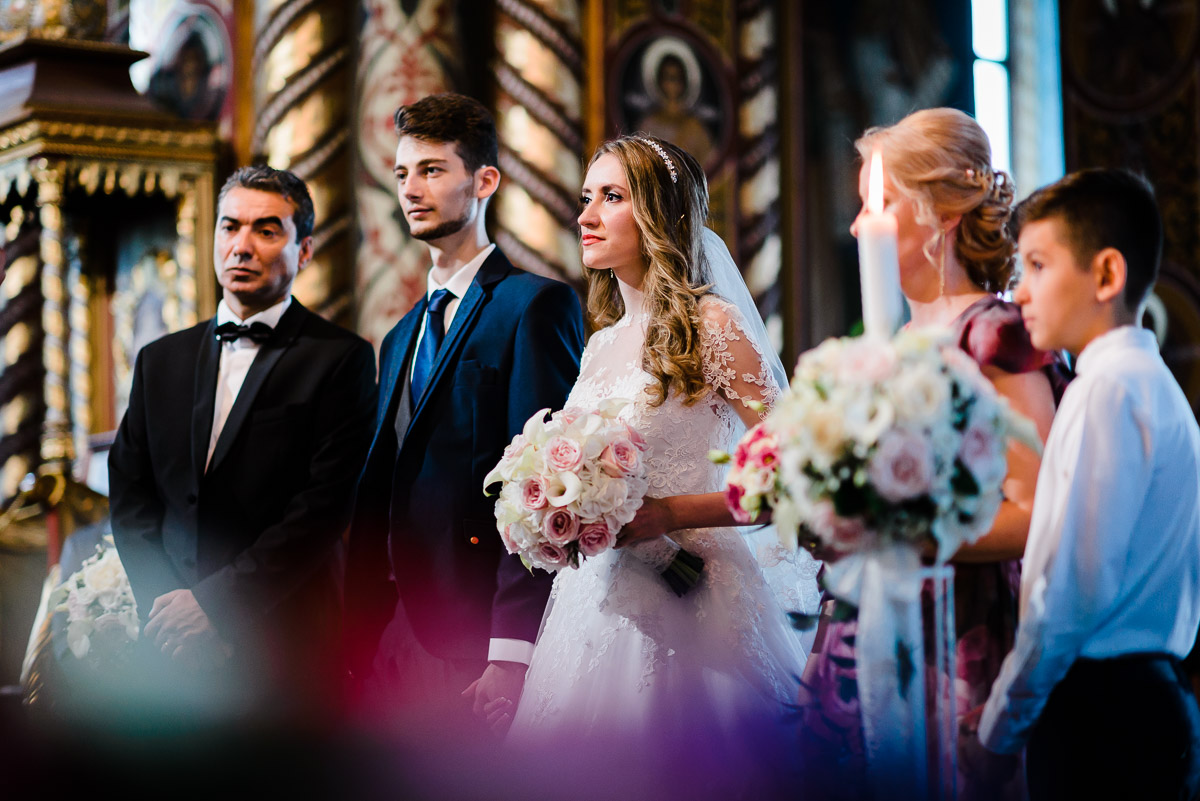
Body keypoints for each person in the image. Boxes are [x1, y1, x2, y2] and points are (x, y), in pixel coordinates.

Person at [504, 135, 810, 800]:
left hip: (696, 598)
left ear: (659, 215)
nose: (586, 215)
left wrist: (671, 513)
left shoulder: (712, 326)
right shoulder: (601, 343)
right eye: (587, 196)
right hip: (597, 602)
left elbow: (795, 477)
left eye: (612, 197)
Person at [798, 108, 1063, 800]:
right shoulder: (881, 344)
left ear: (941, 215)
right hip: (864, 615)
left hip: (956, 627)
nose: (859, 226)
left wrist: (905, 536)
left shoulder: (994, 334)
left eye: (880, 203)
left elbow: (1035, 512)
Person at [343, 93, 584, 735]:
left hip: (478, 637)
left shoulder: (534, 306)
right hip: (391, 635)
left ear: (484, 181)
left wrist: (511, 652)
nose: (410, 189)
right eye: (402, 173)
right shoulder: (399, 337)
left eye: (431, 169)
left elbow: (544, 491)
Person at [108, 165, 377, 720]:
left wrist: (217, 609)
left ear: (304, 250)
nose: (242, 245)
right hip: (168, 651)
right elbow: (131, 498)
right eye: (230, 226)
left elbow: (321, 510)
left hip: (283, 647)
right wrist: (169, 612)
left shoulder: (341, 358)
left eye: (267, 230)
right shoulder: (159, 360)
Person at [980, 168, 1200, 800]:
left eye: (1038, 266)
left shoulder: (1106, 391)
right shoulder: (1152, 385)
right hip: (1148, 696)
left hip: (1105, 715)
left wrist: (999, 731)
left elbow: (1068, 593)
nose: (1019, 292)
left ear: (1106, 274)